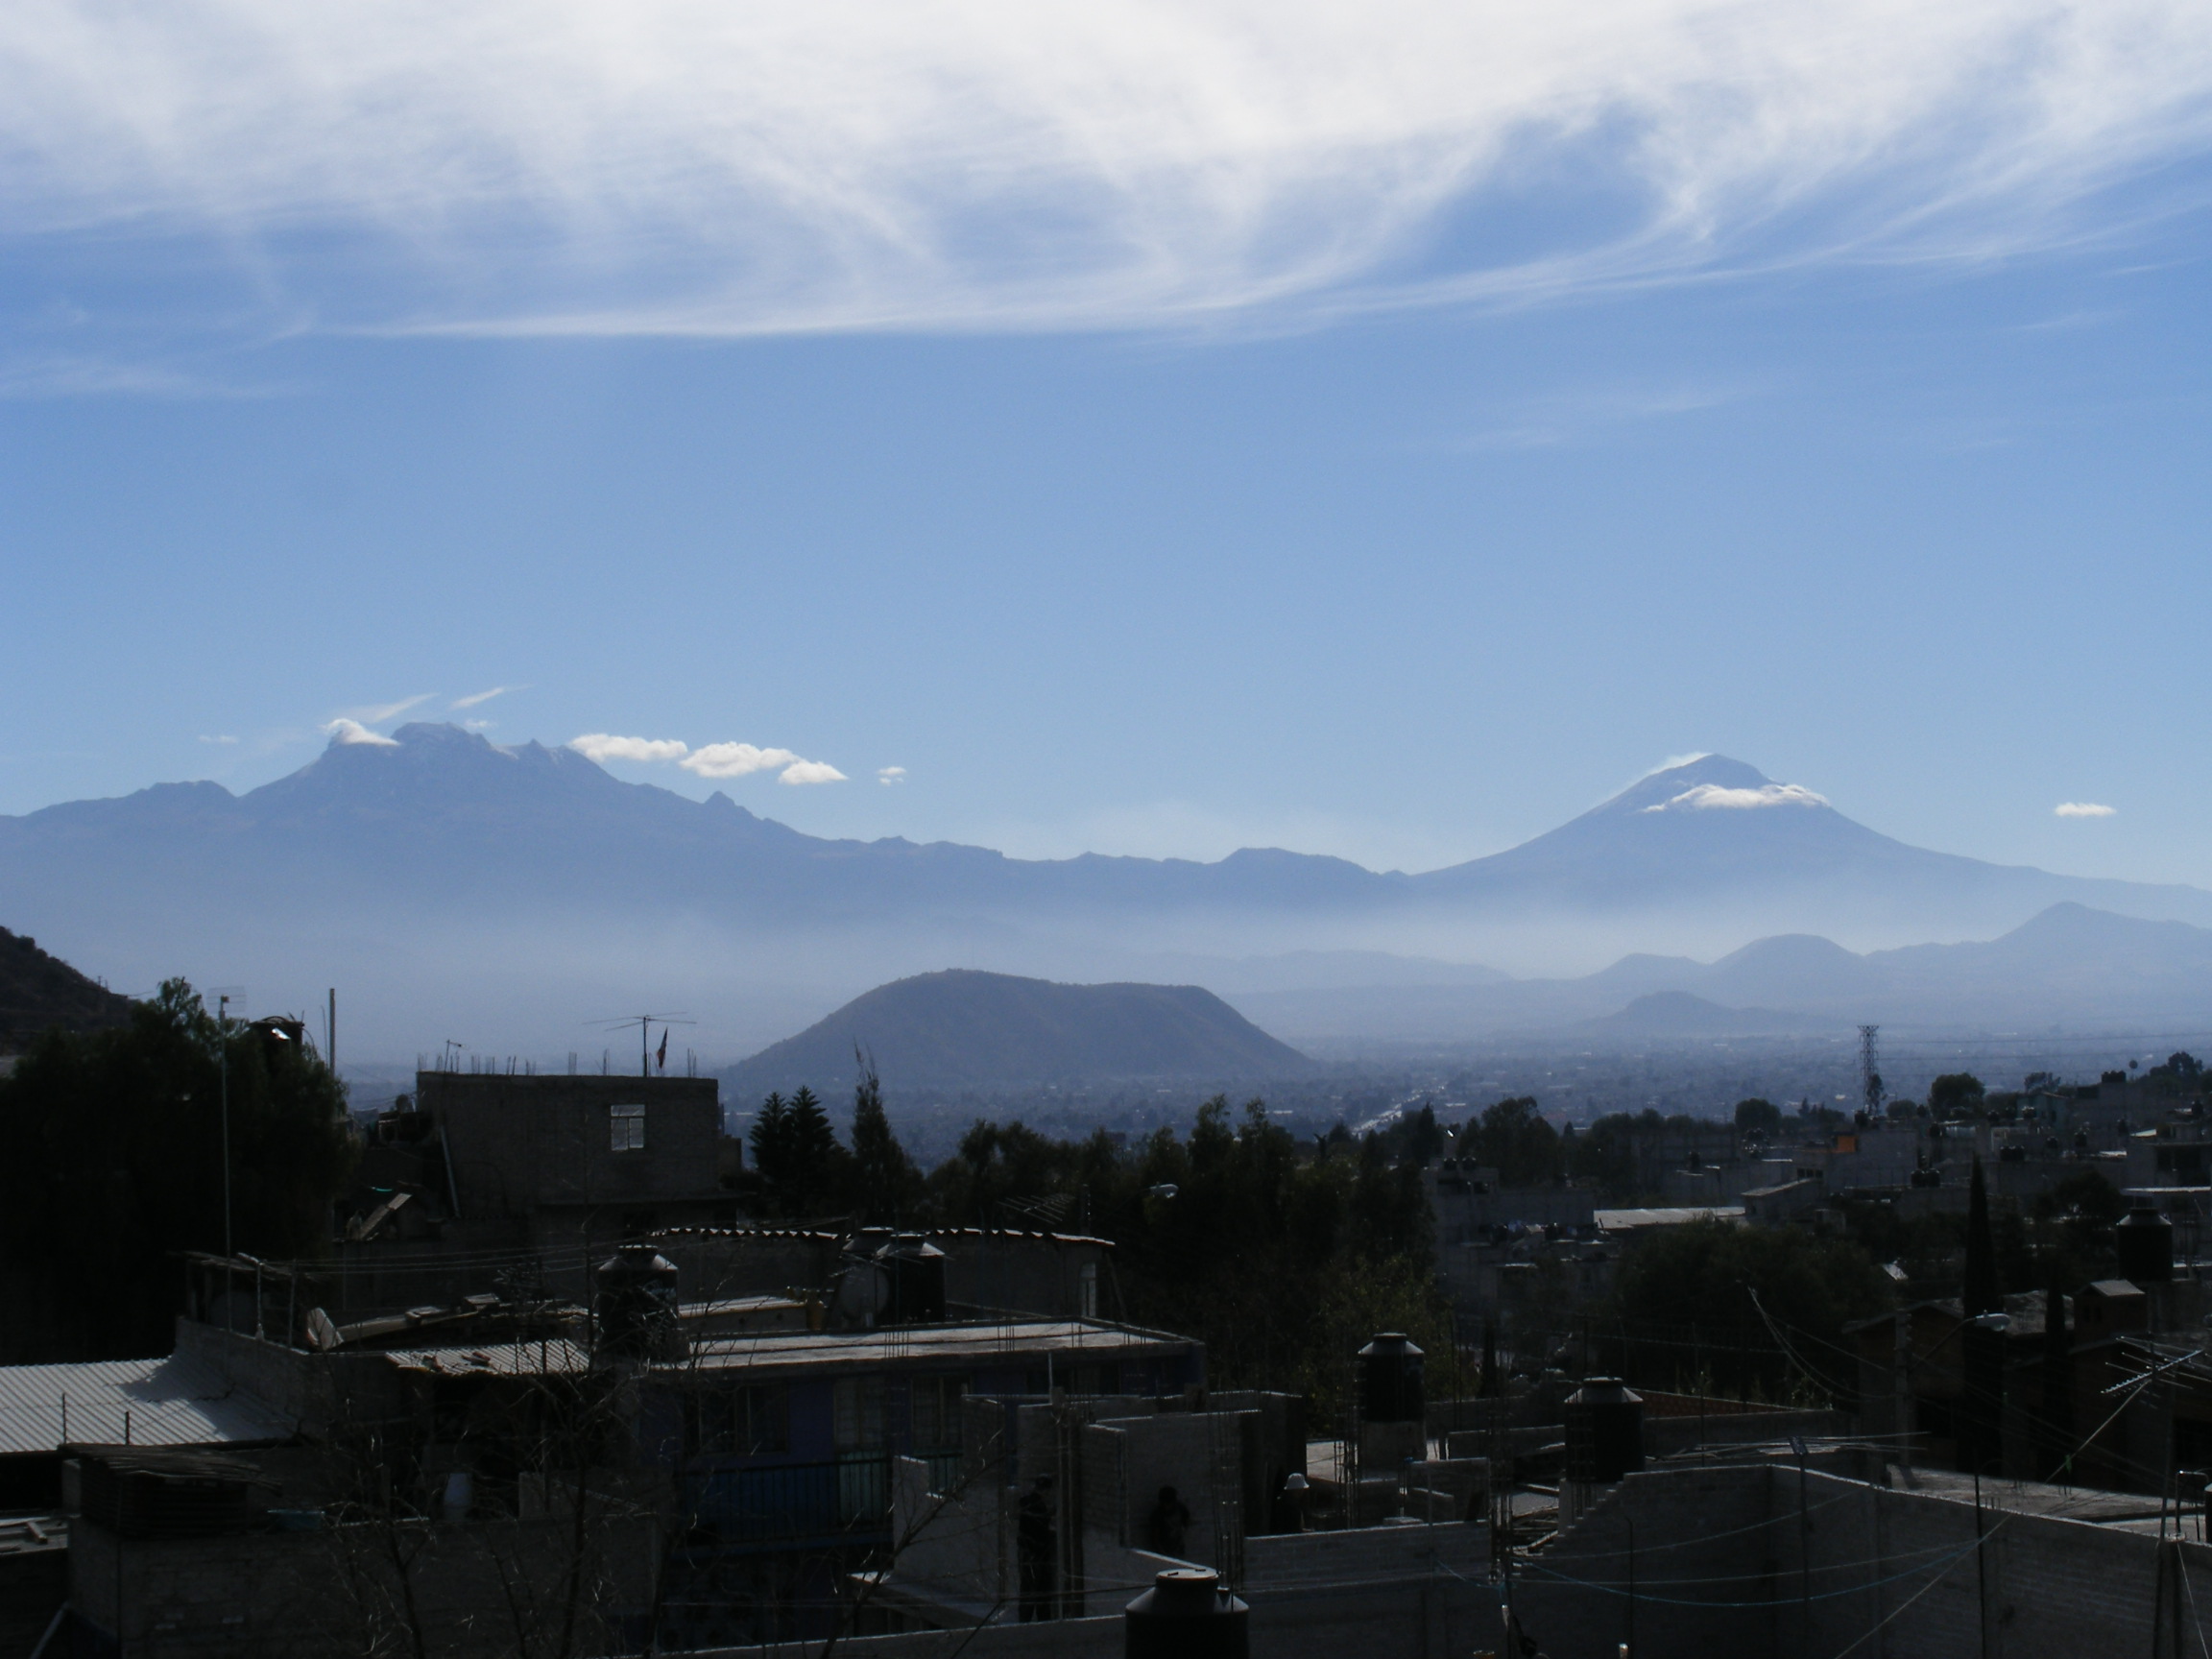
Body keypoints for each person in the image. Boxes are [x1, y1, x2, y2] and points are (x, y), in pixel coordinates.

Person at [1017, 1475, 1057, 1622]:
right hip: (1036, 1555)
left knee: (1029, 1590)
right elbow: (1039, 1528)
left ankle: (1025, 1621)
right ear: (1046, 1491)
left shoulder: (1027, 1502)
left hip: (1028, 1554)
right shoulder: (1038, 1506)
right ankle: (1038, 1621)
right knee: (1038, 1591)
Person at [1145, 1483, 1192, 1557]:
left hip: (1178, 1548)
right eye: (1165, 1503)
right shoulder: (1157, 1515)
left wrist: (1182, 1531)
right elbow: (1155, 1537)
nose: (1167, 1506)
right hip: (1164, 1551)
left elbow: (1186, 1521)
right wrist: (1162, 1553)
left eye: (1169, 1503)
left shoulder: (1180, 1509)